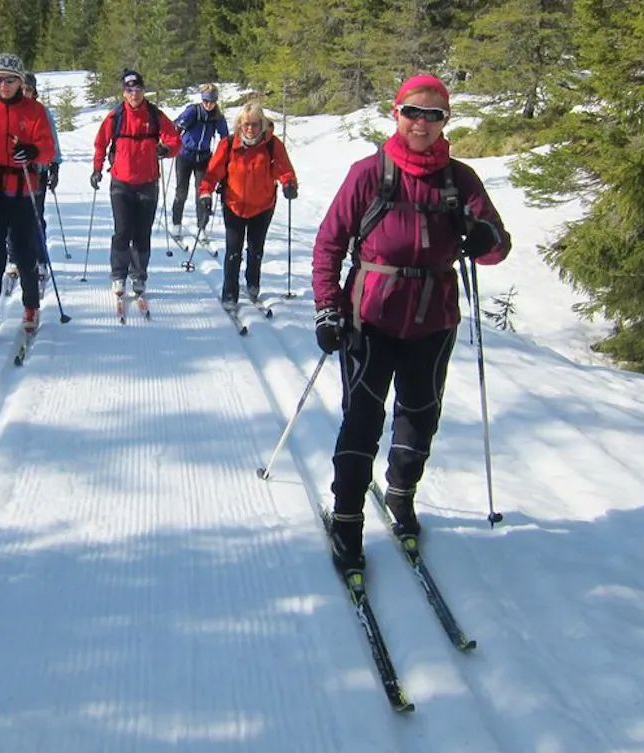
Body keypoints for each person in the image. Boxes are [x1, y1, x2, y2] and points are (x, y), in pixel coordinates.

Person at [311, 74, 510, 573]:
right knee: (362, 419)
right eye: (413, 112)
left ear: (446, 121)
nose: (422, 123)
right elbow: (329, 244)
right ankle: (348, 517)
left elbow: (497, 245)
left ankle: (401, 494)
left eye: (434, 114)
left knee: (420, 414)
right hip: (370, 319)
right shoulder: (368, 174)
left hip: (433, 319)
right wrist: (327, 307)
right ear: (396, 114)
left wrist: (484, 237)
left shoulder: (460, 179)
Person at [0, 53, 56, 347]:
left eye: (9, 79)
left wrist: (32, 151)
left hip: (22, 190)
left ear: (20, 82)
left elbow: (47, 148)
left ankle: (31, 305)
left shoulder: (35, 111)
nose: (3, 85)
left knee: (24, 251)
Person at [90, 69, 182, 299]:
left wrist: (166, 149)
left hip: (148, 183)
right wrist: (97, 169)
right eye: (129, 90)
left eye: (138, 89)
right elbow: (100, 143)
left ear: (143, 90)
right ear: (124, 92)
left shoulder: (154, 114)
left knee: (142, 232)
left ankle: (139, 274)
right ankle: (118, 274)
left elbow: (175, 140)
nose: (134, 94)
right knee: (122, 231)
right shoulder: (116, 116)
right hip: (121, 182)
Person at [198, 101, 296, 310]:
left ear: (262, 124)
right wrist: (205, 192)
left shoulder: (272, 145)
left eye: (254, 124)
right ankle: (229, 293)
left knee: (255, 249)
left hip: (263, 205)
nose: (250, 129)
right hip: (233, 204)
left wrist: (289, 183)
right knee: (233, 250)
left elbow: (284, 169)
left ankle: (253, 283)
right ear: (239, 125)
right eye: (246, 125)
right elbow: (213, 172)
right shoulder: (228, 144)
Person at [3, 72, 62, 290]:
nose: (25, 93)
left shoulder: (42, 112)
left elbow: (52, 141)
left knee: (36, 216)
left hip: (37, 172)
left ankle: (40, 258)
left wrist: (55, 166)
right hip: (12, 173)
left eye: (29, 90)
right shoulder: (10, 109)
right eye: (23, 89)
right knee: (12, 217)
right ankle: (13, 258)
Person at [171, 84, 229, 243]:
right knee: (181, 191)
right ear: (202, 99)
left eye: (212, 101)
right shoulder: (193, 111)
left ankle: (201, 227)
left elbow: (225, 138)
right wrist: (171, 140)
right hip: (185, 155)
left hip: (203, 157)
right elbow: (176, 125)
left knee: (202, 193)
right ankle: (176, 224)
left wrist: (224, 156)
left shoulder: (217, 117)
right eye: (206, 101)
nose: (209, 105)